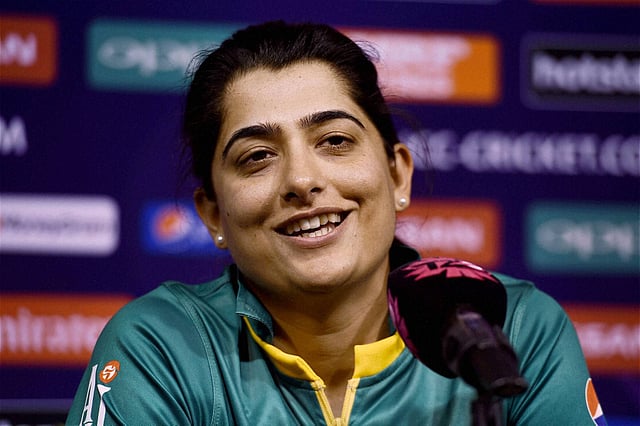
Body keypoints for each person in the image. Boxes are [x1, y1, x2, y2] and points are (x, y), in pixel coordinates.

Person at [67, 21, 605, 425]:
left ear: (397, 175)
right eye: (257, 156)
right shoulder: (161, 344)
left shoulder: (512, 328)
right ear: (213, 214)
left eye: (335, 141)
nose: (302, 180)